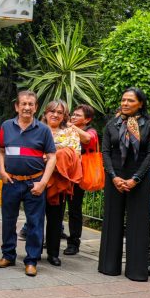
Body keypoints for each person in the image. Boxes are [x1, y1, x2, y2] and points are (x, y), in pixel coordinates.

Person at [0, 90, 56, 277]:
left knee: (35, 223)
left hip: (34, 183)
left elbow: (52, 157)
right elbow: (1, 151)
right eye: (23, 104)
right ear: (17, 106)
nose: (27, 107)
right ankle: (8, 255)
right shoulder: (6, 126)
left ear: (36, 108)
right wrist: (2, 171)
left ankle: (31, 261)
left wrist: (43, 183)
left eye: (31, 104)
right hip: (11, 181)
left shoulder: (44, 130)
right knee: (8, 220)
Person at [99, 87, 150, 282]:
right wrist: (113, 176)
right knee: (111, 220)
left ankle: (136, 270)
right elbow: (105, 152)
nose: (125, 103)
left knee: (138, 224)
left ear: (140, 103)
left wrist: (135, 179)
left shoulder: (149, 124)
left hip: (139, 178)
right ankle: (108, 266)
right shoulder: (112, 123)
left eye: (130, 100)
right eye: (123, 100)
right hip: (114, 177)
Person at [41, 100, 81, 267]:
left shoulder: (71, 132)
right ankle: (34, 251)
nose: (55, 115)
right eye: (52, 111)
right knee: (35, 218)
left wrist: (52, 157)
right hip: (37, 179)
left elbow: (75, 154)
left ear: (65, 116)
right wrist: (59, 153)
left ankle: (53, 253)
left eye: (60, 112)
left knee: (55, 219)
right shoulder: (37, 129)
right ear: (45, 113)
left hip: (59, 183)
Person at [65, 104, 98, 256]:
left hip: (77, 177)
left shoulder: (90, 131)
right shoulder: (65, 129)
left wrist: (71, 126)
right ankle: (53, 237)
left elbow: (88, 139)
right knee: (55, 207)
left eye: (78, 115)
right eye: (73, 114)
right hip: (62, 173)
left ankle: (73, 243)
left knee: (74, 210)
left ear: (87, 120)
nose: (73, 117)